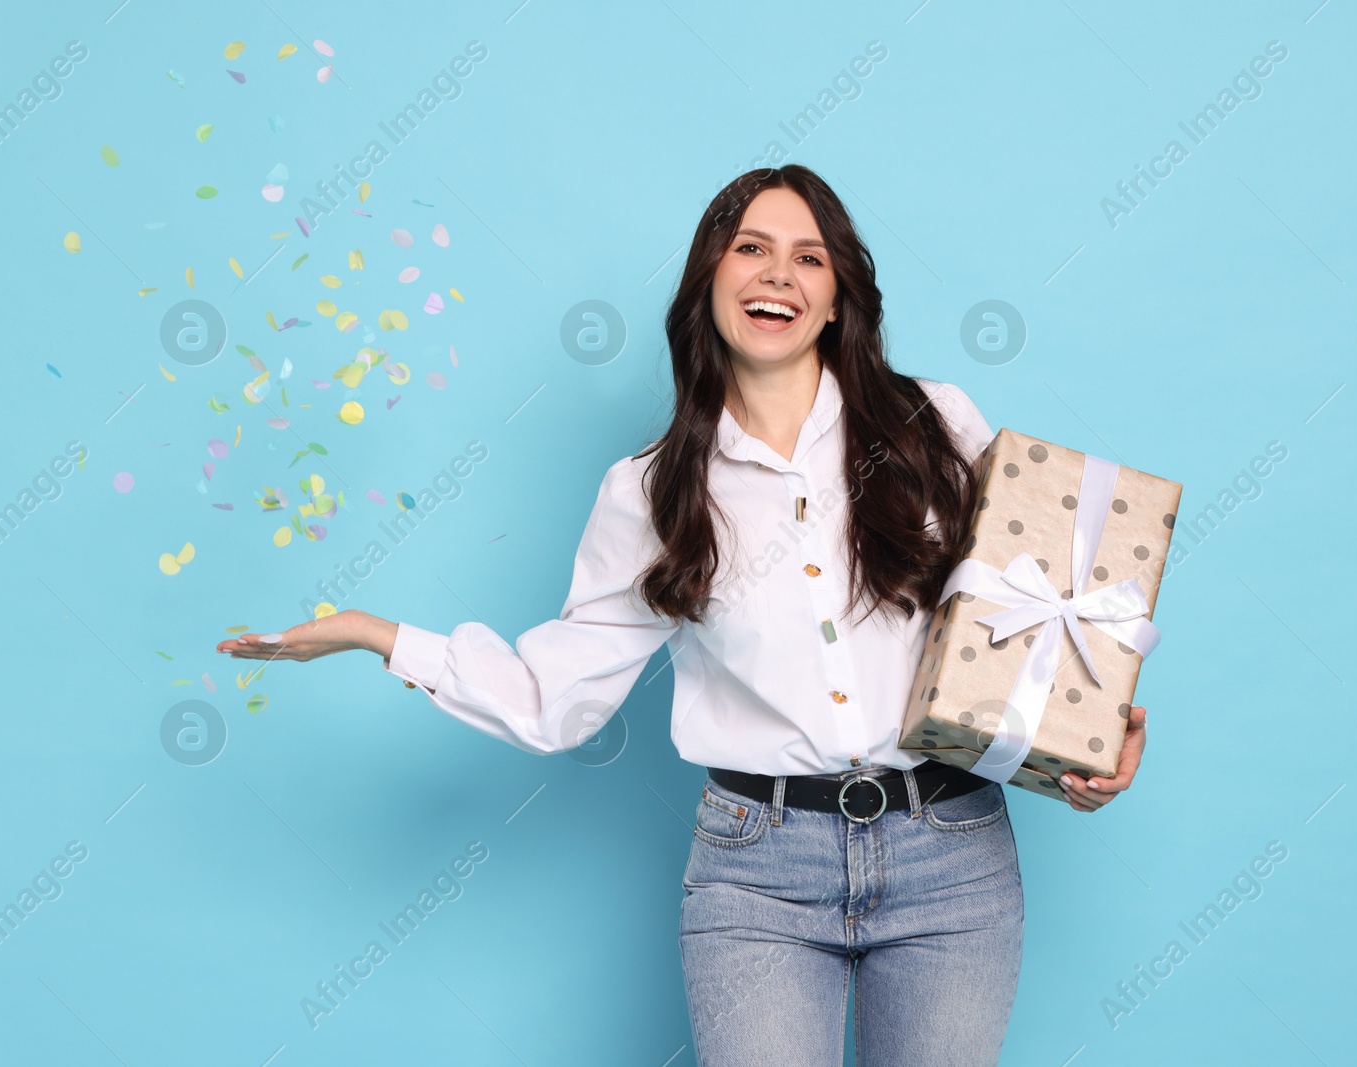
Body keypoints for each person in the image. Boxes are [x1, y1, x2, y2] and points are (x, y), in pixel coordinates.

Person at [218, 164, 1147, 1066]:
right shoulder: (651, 492)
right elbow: (553, 699)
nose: (777, 272)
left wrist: (1082, 742)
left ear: (838, 300)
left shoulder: (935, 422)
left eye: (808, 257)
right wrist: (377, 633)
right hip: (758, 873)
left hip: (952, 853)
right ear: (710, 280)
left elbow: (1034, 609)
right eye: (750, 247)